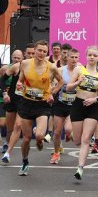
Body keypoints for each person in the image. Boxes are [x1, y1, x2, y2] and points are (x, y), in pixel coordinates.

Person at [15, 40, 63, 176]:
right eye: (39, 50)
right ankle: (25, 162)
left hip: (42, 104)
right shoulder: (25, 64)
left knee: (40, 135)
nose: (41, 53)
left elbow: (61, 82)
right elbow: (21, 79)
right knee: (26, 138)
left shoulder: (52, 67)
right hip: (26, 102)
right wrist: (19, 84)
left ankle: (40, 140)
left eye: (44, 51)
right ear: (34, 50)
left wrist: (52, 93)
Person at [67, 46, 98, 180]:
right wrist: (78, 81)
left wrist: (94, 99)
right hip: (78, 105)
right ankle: (74, 134)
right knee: (77, 140)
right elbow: (68, 87)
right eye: (90, 55)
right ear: (86, 56)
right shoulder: (79, 69)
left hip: (92, 107)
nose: (92, 57)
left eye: (95, 55)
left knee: (85, 139)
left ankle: (80, 168)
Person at [50, 48, 79, 164]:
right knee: (57, 132)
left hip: (73, 105)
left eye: (76, 57)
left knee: (67, 129)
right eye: (72, 57)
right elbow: (51, 82)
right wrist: (52, 90)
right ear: (67, 58)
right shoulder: (61, 70)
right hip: (60, 104)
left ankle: (68, 134)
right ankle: (57, 153)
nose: (74, 59)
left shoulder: (81, 70)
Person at [0, 50, 24, 162]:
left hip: (24, 101)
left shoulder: (34, 68)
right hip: (12, 100)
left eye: (19, 58)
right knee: (9, 128)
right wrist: (5, 93)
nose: (16, 59)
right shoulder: (13, 68)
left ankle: (7, 154)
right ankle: (7, 142)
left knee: (18, 125)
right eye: (15, 57)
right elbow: (2, 79)